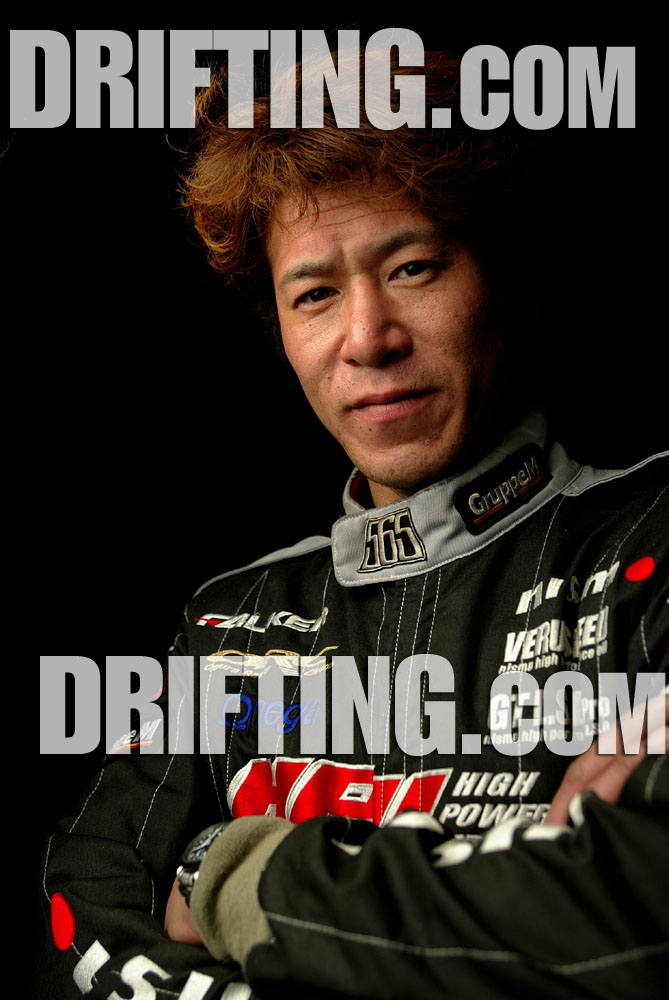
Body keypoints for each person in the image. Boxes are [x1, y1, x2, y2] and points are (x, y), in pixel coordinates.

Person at [40, 50, 667, 999]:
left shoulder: (650, 545)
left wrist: (233, 873)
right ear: (281, 330)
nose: (368, 337)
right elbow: (77, 926)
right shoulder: (223, 626)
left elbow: (636, 916)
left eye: (413, 268)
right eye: (315, 294)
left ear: (500, 278)